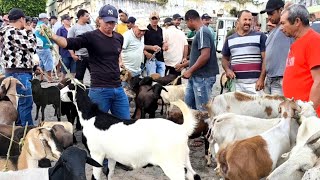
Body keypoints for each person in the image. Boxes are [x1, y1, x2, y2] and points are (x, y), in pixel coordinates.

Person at [280, 4, 320, 116]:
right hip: (298, 112)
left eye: (283, 23)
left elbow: (319, 81)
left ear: (297, 22)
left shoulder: (313, 41)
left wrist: (309, 112)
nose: (281, 28)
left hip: (309, 116)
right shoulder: (297, 42)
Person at [0, 8, 37, 126]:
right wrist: (30, 31)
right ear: (21, 19)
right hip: (19, 73)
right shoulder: (12, 31)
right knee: (25, 103)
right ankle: (26, 133)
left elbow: (22, 51)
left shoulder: (6, 30)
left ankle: (19, 131)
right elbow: (31, 46)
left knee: (20, 103)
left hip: (15, 72)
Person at [222, 10, 267, 95]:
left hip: (255, 85)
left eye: (250, 20)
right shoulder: (230, 39)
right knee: (236, 108)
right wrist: (227, 70)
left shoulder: (260, 36)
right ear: (238, 21)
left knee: (256, 108)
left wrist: (261, 79)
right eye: (245, 19)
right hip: (236, 84)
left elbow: (266, 58)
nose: (247, 22)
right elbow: (224, 59)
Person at [183, 9, 219, 111]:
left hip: (203, 78)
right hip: (196, 76)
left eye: (186, 22)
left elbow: (205, 56)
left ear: (190, 20)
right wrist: (183, 65)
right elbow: (197, 57)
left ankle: (206, 127)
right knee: (189, 107)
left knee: (203, 111)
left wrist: (189, 71)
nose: (186, 25)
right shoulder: (200, 32)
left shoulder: (203, 32)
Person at [260, 0, 293, 95]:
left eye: (271, 13)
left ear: (281, 10)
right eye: (268, 14)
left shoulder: (287, 28)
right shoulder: (273, 31)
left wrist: (285, 10)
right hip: (270, 79)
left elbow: (293, 8)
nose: (269, 17)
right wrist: (262, 77)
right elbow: (267, 56)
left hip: (281, 79)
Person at [67, 9, 93, 82]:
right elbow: (69, 43)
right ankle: (79, 91)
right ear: (81, 16)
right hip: (80, 56)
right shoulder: (73, 28)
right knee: (79, 76)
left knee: (94, 75)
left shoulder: (90, 27)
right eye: (87, 16)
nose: (88, 17)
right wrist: (73, 54)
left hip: (91, 56)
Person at [144, 11, 165, 77]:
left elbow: (161, 41)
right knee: (152, 79)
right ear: (150, 19)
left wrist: (164, 44)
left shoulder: (160, 29)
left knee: (161, 79)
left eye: (156, 18)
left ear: (158, 19)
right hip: (150, 58)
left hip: (160, 58)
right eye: (153, 18)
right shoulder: (146, 30)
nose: (154, 20)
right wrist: (146, 53)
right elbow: (141, 44)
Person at [35, 13, 55, 82]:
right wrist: (52, 44)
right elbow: (50, 35)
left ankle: (41, 78)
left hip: (38, 47)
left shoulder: (37, 25)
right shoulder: (43, 26)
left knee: (42, 63)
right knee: (48, 62)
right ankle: (50, 78)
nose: (48, 20)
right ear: (44, 19)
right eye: (47, 19)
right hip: (45, 46)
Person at [56, 14, 75, 79]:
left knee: (74, 70)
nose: (69, 20)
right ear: (63, 21)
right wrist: (57, 53)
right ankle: (62, 82)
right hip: (64, 52)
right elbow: (57, 41)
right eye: (67, 19)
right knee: (64, 70)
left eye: (70, 19)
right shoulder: (60, 30)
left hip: (74, 51)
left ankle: (73, 83)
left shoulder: (73, 28)